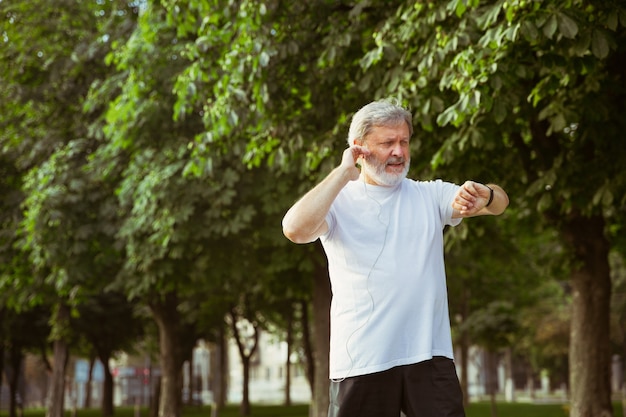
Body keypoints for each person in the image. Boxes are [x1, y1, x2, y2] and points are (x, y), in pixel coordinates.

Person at [282, 99, 509, 417]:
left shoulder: (429, 195)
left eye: (404, 141)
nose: (399, 152)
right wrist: (343, 172)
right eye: (388, 143)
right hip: (363, 360)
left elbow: (499, 203)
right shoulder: (337, 202)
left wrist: (485, 193)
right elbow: (294, 229)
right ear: (359, 149)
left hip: (430, 356)